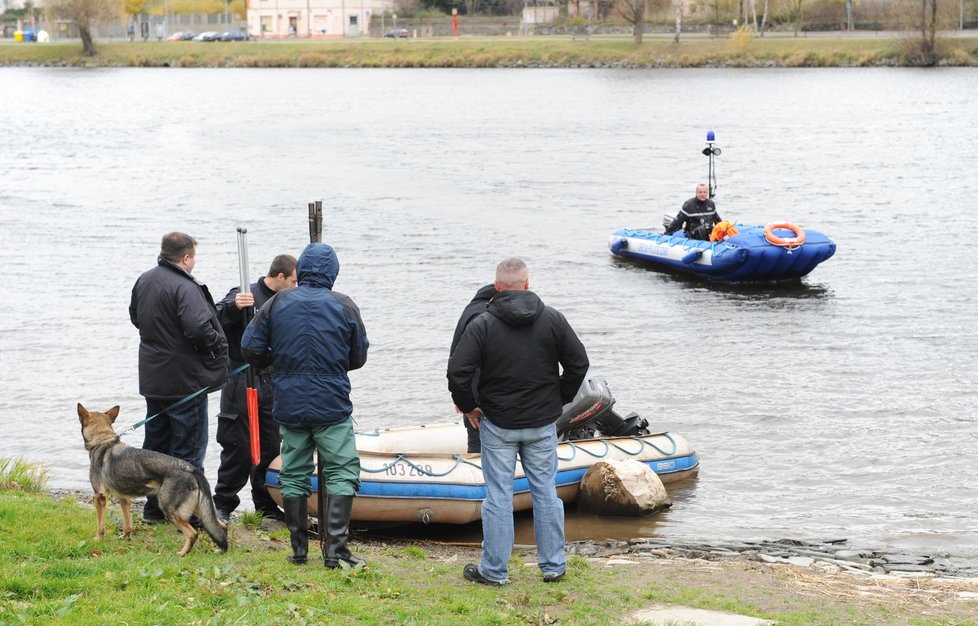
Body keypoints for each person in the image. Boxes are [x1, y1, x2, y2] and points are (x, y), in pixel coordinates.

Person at [447, 258, 589, 586]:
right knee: (545, 492)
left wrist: (469, 405)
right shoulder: (552, 319)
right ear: (527, 284)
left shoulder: (483, 324)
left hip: (498, 423)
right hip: (541, 423)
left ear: (496, 288)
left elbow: (457, 371)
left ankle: (494, 571)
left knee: (498, 496)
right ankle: (553, 566)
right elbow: (578, 363)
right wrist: (560, 399)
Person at [241, 243, 368, 567]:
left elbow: (250, 347)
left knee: (294, 473)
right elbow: (358, 356)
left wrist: (278, 363)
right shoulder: (344, 305)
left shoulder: (278, 302)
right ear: (333, 273)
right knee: (342, 471)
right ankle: (335, 551)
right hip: (332, 404)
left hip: (290, 402)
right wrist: (332, 366)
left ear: (302, 270)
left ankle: (299, 551)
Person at [129, 232, 229, 524]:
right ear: (186, 258)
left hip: (153, 379)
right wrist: (217, 346)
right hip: (185, 382)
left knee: (156, 447)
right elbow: (199, 328)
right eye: (194, 257)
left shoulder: (144, 280)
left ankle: (153, 511)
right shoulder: (185, 287)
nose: (194, 262)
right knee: (188, 451)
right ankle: (189, 516)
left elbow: (136, 317)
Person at [213, 254, 298, 523]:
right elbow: (214, 317)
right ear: (280, 276)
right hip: (240, 377)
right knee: (237, 444)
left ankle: (265, 503)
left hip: (271, 379)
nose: (297, 286)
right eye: (294, 281)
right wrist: (234, 307)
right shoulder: (244, 292)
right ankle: (223, 502)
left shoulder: (287, 300)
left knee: (271, 444)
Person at [450, 283, 498, 454]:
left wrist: (461, 398)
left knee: (477, 446)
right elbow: (471, 364)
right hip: (481, 404)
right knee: (480, 450)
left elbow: (455, 356)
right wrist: (469, 404)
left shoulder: (470, 309)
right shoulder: (484, 315)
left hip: (470, 396)